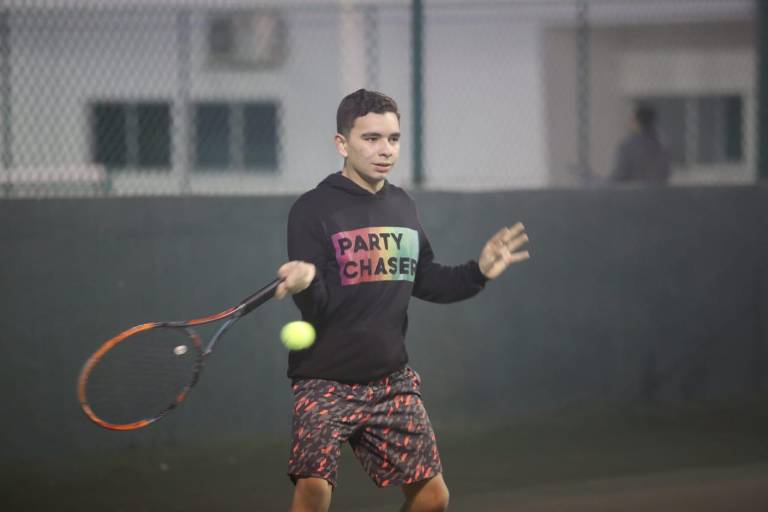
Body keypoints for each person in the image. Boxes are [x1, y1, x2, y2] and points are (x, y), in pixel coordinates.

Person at [273, 89, 530, 512]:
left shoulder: (401, 204)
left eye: (393, 139)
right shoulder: (313, 209)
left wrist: (479, 270)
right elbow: (316, 307)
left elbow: (426, 279)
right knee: (314, 491)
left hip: (391, 382)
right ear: (342, 144)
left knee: (432, 498)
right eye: (371, 138)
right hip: (323, 381)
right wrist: (306, 279)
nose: (385, 150)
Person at [612, 104, 672, 184]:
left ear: (637, 122)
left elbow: (619, 175)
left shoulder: (629, 146)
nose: (629, 123)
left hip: (634, 193)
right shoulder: (661, 146)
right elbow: (665, 173)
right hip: (658, 194)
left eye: (632, 120)